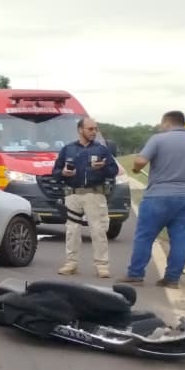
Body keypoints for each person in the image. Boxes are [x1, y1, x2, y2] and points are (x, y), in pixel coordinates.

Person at [122, 110, 185, 288]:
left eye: (162, 123)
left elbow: (141, 161)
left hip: (158, 195)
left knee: (145, 236)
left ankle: (136, 274)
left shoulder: (158, 139)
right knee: (180, 238)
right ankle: (172, 279)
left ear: (167, 122)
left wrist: (136, 169)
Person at [52, 117, 119, 278]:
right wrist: (63, 173)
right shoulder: (68, 149)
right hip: (73, 194)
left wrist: (103, 168)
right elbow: (55, 171)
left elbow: (114, 171)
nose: (94, 132)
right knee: (72, 230)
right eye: (90, 129)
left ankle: (102, 265)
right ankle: (71, 263)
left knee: (98, 230)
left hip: (94, 194)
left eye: (95, 129)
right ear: (80, 130)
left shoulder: (101, 150)